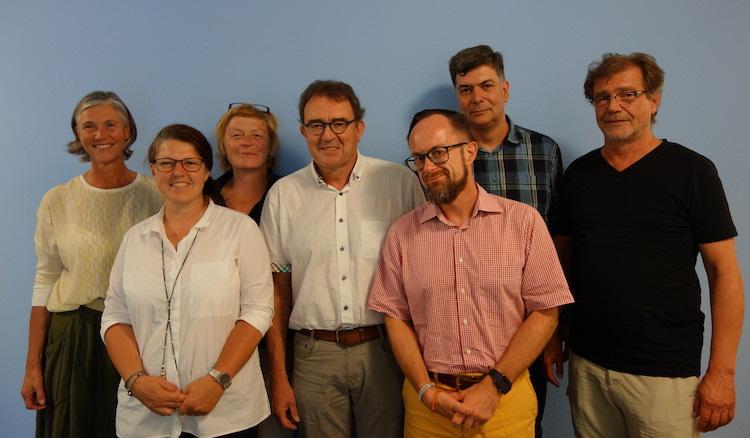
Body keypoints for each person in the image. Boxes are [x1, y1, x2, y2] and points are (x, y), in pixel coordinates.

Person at [551, 52, 744, 437]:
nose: (613, 106)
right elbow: (559, 262)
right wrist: (554, 333)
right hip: (588, 365)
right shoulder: (579, 174)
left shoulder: (693, 172)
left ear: (654, 101)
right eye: (602, 97)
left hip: (664, 372)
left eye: (628, 94)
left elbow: (724, 273)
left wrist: (721, 372)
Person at [368, 109, 573, 438]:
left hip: (505, 403)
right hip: (428, 409)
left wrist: (493, 387)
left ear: (469, 150)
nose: (428, 168)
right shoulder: (401, 234)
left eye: (438, 153)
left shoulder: (524, 222)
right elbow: (396, 318)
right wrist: (424, 389)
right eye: (419, 159)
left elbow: (546, 312)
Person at [260, 80, 425, 437]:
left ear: (359, 128)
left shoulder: (400, 183)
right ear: (303, 131)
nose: (327, 135)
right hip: (312, 355)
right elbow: (277, 293)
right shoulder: (283, 197)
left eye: (339, 123)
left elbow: (423, 276)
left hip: (386, 349)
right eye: (316, 125)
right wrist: (279, 377)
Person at [101, 124, 274, 438]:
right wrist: (135, 380)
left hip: (225, 413)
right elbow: (115, 315)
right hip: (146, 416)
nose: (177, 172)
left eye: (190, 163)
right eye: (166, 163)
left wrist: (217, 380)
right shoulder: (135, 239)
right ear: (153, 170)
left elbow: (258, 312)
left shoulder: (241, 230)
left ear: (206, 170)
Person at [20, 91, 163, 438]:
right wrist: (33, 366)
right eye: (89, 127)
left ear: (127, 130)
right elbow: (45, 280)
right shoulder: (57, 200)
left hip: (139, 334)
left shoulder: (155, 196)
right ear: (78, 134)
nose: (100, 135)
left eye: (110, 125)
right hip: (74, 336)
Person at [449, 45, 564, 436]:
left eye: (486, 86)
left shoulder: (543, 152)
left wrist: (552, 331)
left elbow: (558, 244)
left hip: (531, 328)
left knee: (525, 425)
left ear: (506, 89)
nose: (477, 98)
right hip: (467, 332)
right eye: (466, 89)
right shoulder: (445, 159)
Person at [213, 102, 293, 438]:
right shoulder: (203, 198)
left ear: (270, 145)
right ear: (223, 145)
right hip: (216, 346)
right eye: (237, 135)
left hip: (277, 343)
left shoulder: (290, 194)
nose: (247, 142)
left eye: (256, 135)